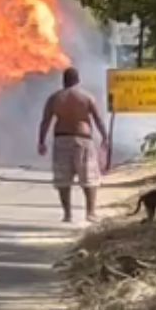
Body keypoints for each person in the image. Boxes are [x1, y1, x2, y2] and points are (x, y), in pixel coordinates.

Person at [37, 67, 109, 224]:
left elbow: (45, 122)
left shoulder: (55, 98)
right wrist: (105, 137)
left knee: (63, 180)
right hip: (83, 140)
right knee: (89, 178)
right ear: (78, 80)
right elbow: (98, 119)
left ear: (64, 80)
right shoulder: (86, 97)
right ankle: (90, 213)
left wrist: (41, 142)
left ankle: (68, 214)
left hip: (61, 140)